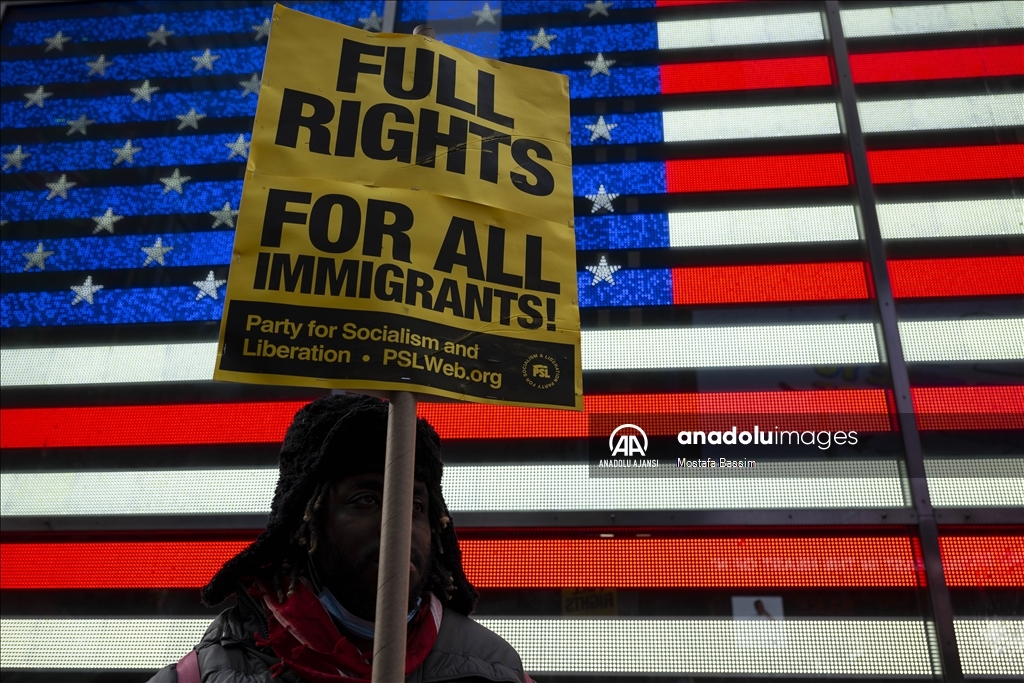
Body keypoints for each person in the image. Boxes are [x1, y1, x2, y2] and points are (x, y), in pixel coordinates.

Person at [148, 393, 529, 682]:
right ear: (304, 523)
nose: (397, 525)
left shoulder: (495, 669)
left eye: (415, 506)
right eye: (365, 500)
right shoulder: (204, 675)